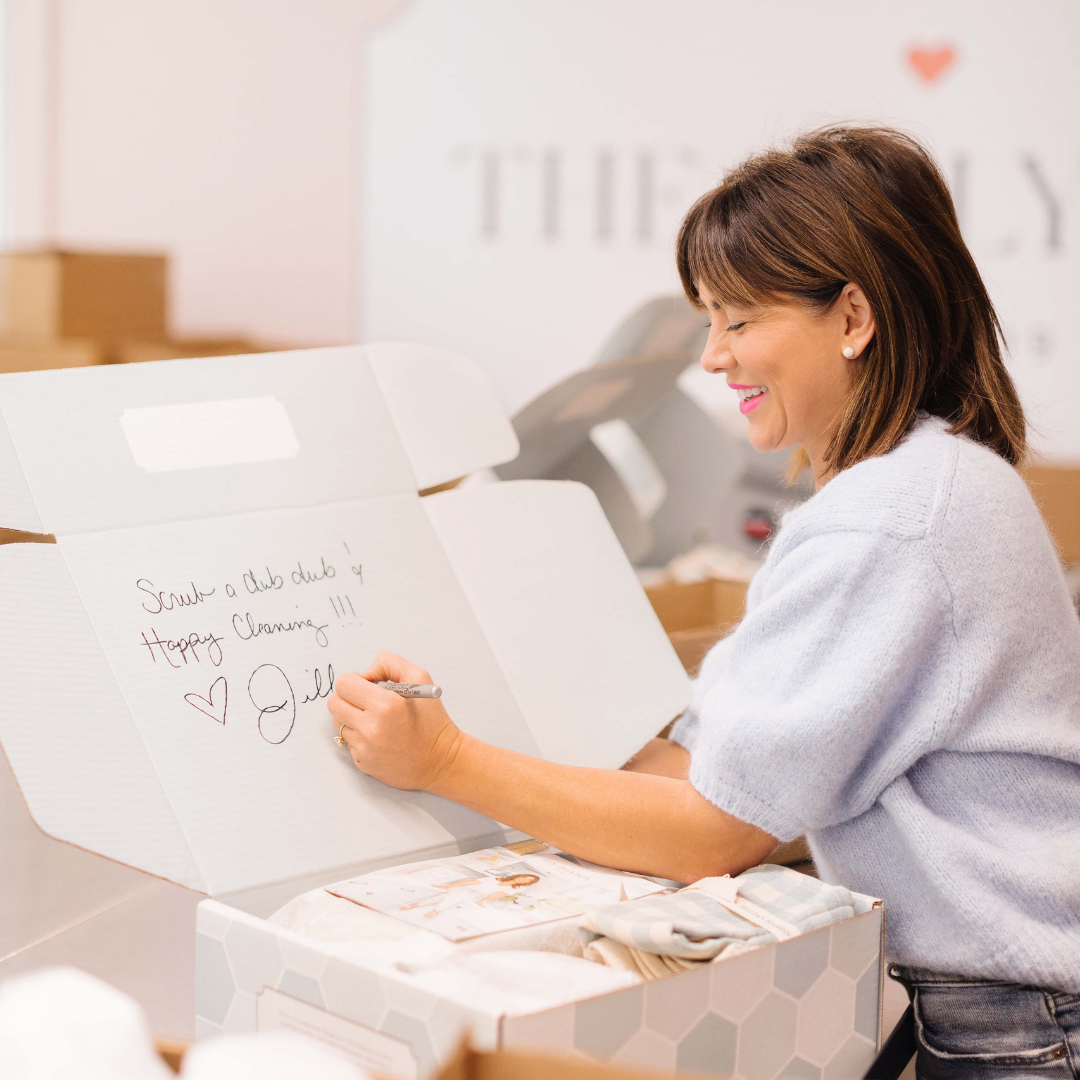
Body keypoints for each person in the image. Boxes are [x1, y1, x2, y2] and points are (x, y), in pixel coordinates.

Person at [328, 126, 1080, 1078]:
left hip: (1003, 1025)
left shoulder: (892, 520)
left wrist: (445, 760)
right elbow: (704, 761)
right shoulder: (923, 487)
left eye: (738, 319)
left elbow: (716, 828)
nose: (714, 356)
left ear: (852, 316)